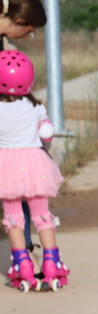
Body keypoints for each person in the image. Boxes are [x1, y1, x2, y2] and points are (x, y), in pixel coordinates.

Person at [0, 51, 69, 292]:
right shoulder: (36, 107)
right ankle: (51, 264)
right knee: (42, 216)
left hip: (5, 168)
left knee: (13, 219)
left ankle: (23, 266)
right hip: (35, 165)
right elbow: (46, 133)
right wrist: (44, 144)